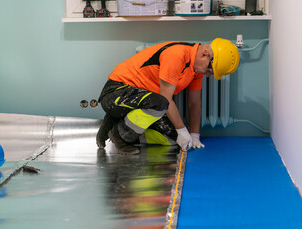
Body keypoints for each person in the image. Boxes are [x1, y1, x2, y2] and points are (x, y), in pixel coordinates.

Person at [96, 38, 239, 154]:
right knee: (161, 104)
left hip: (141, 101)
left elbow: (194, 103)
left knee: (173, 139)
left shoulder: (196, 69)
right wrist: (182, 131)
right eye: (209, 70)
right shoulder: (177, 55)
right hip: (116, 93)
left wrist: (194, 135)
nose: (207, 74)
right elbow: (166, 99)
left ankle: (117, 126)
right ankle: (119, 135)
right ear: (205, 54)